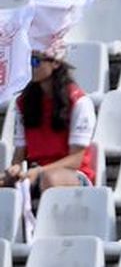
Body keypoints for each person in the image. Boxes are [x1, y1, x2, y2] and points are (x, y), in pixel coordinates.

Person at [5, 42, 97, 192]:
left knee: (50, 178)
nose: (30, 66)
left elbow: (75, 160)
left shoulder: (79, 102)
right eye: (27, 61)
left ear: (55, 63)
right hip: (37, 173)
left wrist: (40, 171)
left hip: (74, 175)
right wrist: (15, 169)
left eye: (35, 61)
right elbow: (18, 155)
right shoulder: (23, 102)